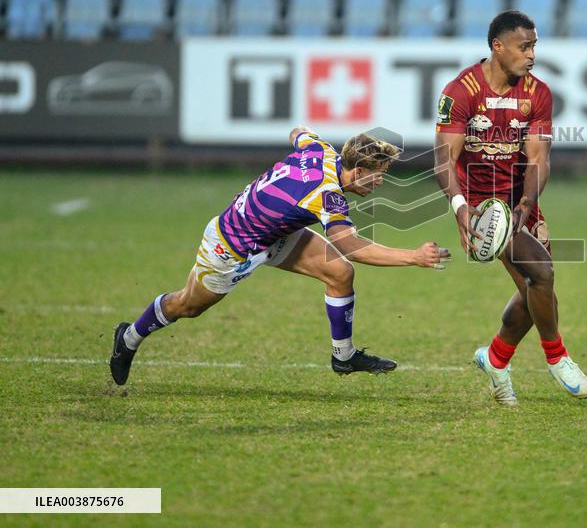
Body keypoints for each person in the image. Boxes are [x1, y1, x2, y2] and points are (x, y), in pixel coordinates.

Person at [109, 127, 451, 385]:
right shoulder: (328, 193)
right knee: (188, 306)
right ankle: (129, 337)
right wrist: (414, 256)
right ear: (359, 171)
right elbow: (352, 245)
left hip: (276, 233)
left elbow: (298, 132)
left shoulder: (321, 149)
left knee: (339, 274)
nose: (380, 182)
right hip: (234, 244)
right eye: (379, 174)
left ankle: (343, 357)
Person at [434, 10, 587, 406]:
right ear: (497, 47)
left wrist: (527, 203)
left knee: (539, 291)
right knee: (541, 274)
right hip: (481, 205)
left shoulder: (537, 93)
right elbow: (443, 161)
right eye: (525, 46)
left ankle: (495, 358)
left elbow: (539, 159)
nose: (532, 55)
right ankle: (557, 358)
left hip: (520, 200)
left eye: (535, 46)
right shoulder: (460, 91)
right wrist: (460, 209)